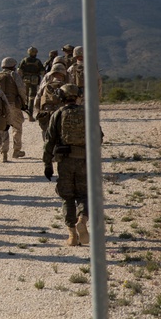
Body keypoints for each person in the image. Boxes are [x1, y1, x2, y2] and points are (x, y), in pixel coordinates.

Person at [43, 84, 101, 247]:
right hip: (84, 160)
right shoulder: (88, 113)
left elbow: (49, 141)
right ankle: (82, 219)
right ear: (77, 96)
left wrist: (47, 163)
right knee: (84, 194)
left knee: (67, 197)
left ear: (61, 97)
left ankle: (72, 235)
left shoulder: (58, 114)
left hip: (65, 161)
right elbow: (99, 137)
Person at [0, 57, 28, 161]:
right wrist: (23, 103)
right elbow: (21, 89)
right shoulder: (14, 75)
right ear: (13, 66)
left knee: (4, 127)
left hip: (0, 106)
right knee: (17, 126)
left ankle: (4, 153)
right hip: (13, 104)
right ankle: (16, 151)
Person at [34, 61, 69, 136]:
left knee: (47, 132)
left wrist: (39, 111)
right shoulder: (66, 87)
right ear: (63, 74)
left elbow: (37, 100)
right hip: (61, 113)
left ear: (52, 74)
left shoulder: (44, 86)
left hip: (47, 113)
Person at [18, 47, 45, 122]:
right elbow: (43, 72)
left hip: (25, 80)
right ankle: (30, 116)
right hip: (34, 81)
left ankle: (22, 114)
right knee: (31, 98)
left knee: (24, 97)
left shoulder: (24, 60)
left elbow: (19, 71)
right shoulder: (37, 61)